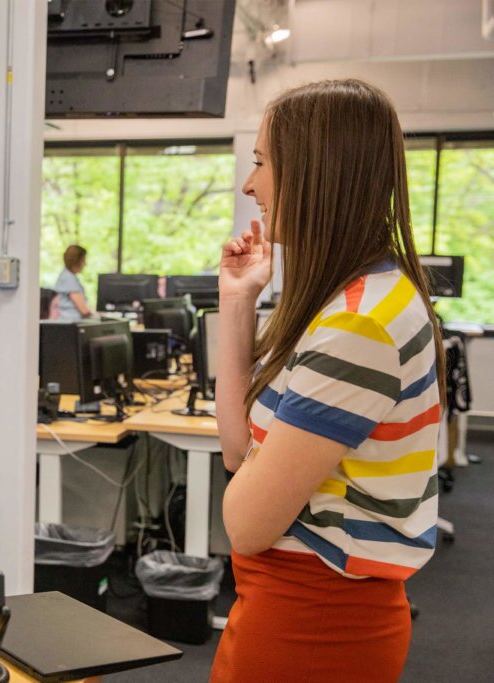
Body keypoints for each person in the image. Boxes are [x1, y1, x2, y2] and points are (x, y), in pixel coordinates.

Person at [210, 79, 446, 681]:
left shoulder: (359, 323)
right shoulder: (351, 298)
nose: (249, 185)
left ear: (316, 171)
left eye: (261, 162)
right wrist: (237, 304)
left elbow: (245, 521)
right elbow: (239, 453)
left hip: (314, 620)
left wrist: (253, 475)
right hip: (296, 607)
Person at [54, 244, 94, 321]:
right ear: (77, 261)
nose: (85, 264)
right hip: (70, 325)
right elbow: (84, 310)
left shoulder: (67, 276)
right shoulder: (69, 279)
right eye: (83, 260)